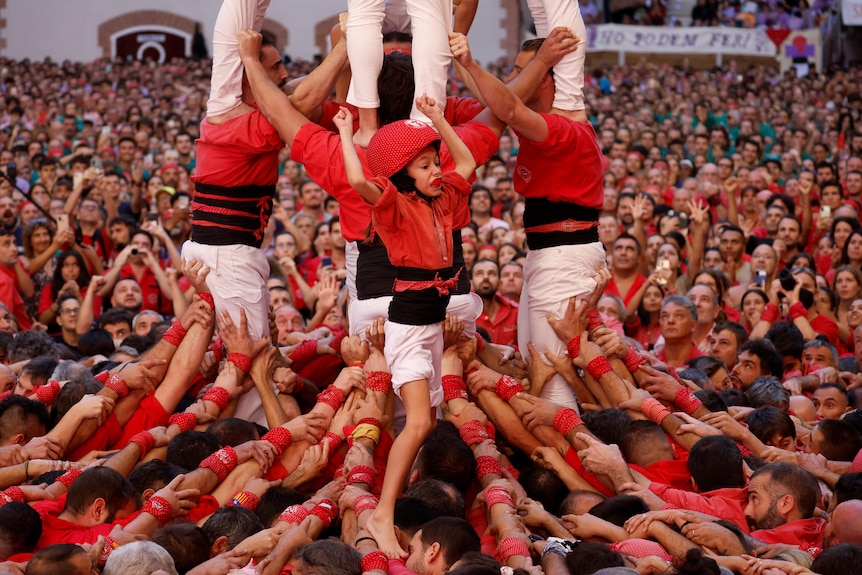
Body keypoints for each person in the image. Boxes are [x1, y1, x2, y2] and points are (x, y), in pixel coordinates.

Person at [333, 96, 475, 557]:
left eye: (435, 163)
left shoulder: (443, 198)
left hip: (432, 321)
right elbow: (357, 178)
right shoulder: (393, 204)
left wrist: (437, 121)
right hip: (409, 325)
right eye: (424, 166)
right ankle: (383, 513)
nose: (436, 171)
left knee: (427, 421)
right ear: (400, 175)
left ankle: (396, 494)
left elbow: (468, 161)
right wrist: (342, 132)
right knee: (416, 423)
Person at [452, 28, 603, 408]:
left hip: (565, 255)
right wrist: (461, 58)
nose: (520, 80)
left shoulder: (566, 130)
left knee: (551, 376)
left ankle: (570, 458)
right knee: (532, 361)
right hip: (549, 253)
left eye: (529, 70)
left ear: (549, 78)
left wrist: (470, 62)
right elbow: (502, 98)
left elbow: (509, 105)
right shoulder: (543, 122)